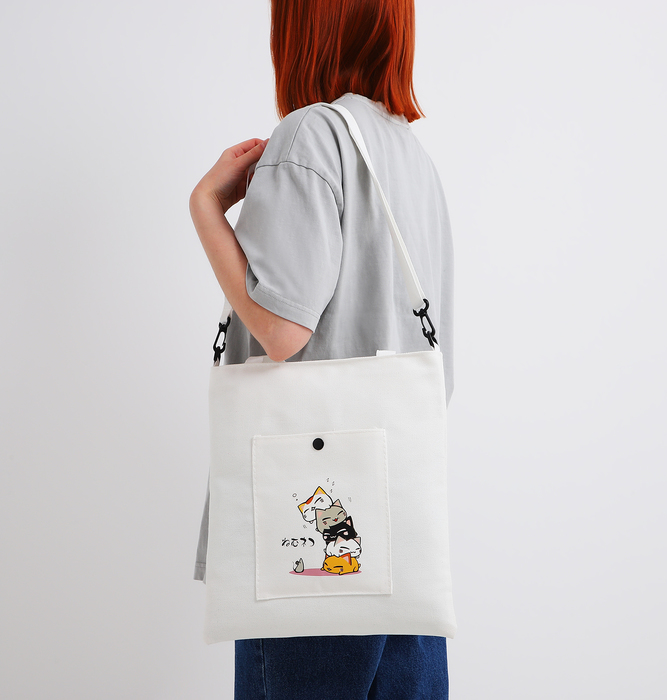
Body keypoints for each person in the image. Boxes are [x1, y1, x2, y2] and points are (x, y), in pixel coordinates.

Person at [189, 0, 454, 697]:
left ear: (304, 23)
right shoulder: (409, 155)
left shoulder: (311, 135)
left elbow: (281, 331)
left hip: (309, 549)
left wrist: (207, 210)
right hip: (402, 532)